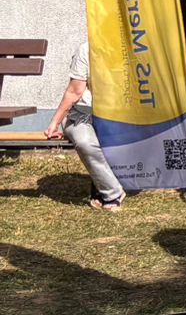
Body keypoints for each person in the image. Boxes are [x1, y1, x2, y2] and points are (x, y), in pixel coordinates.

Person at [41, 41, 126, 211]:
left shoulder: (133, 48)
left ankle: (101, 189)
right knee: (84, 141)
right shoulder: (86, 49)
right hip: (83, 112)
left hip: (121, 113)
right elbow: (75, 90)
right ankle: (112, 192)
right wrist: (55, 122)